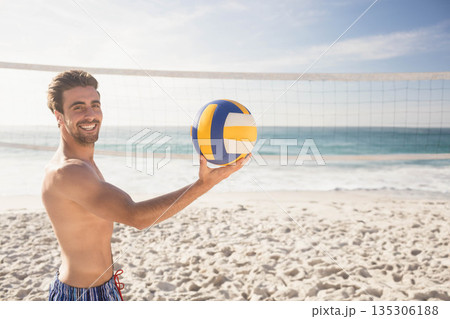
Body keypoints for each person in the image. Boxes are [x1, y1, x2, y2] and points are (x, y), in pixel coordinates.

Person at [42, 70, 250, 301]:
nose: (91, 114)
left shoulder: (85, 163)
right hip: (79, 296)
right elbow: (136, 217)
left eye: (95, 104)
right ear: (58, 116)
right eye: (78, 107)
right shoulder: (68, 172)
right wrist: (204, 184)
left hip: (106, 287)